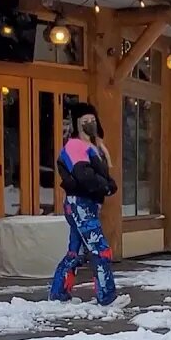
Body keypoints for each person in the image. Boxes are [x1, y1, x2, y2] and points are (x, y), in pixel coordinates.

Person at [50, 102, 121, 305]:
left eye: (92, 120)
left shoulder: (96, 147)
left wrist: (107, 183)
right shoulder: (75, 146)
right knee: (100, 249)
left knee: (77, 252)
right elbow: (84, 175)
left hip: (86, 203)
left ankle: (58, 293)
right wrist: (106, 186)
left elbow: (95, 175)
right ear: (77, 124)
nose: (90, 124)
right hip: (80, 203)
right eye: (85, 121)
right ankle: (107, 296)